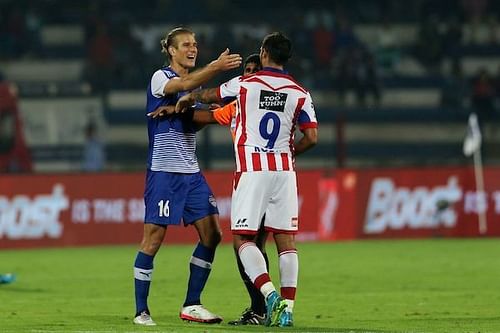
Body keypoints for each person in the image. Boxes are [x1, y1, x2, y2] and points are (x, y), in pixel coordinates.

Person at [175, 32, 318, 327]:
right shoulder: (300, 92)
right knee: (286, 241)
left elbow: (211, 95)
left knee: (242, 239)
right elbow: (312, 137)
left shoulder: (245, 85)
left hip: (253, 172)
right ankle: (287, 309)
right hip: (284, 171)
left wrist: (191, 96)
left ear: (264, 53)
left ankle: (270, 297)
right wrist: (287, 154)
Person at [132, 27, 242, 326]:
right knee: (153, 239)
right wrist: (216, 68)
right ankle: (141, 311)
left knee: (213, 235)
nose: (192, 49)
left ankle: (192, 304)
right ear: (170, 50)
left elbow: (200, 118)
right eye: (185, 45)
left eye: (194, 44)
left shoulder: (188, 95)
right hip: (164, 172)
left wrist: (230, 108)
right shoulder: (161, 78)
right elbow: (188, 83)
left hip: (191, 173)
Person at [149, 55, 269, 325]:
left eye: (254, 71)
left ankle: (267, 305)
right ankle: (262, 308)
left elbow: (205, 100)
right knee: (254, 243)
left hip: (256, 178)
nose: (249, 75)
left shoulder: (246, 101)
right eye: (246, 71)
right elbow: (212, 115)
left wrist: (191, 99)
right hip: (275, 177)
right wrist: (182, 110)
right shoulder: (247, 104)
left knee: (248, 244)